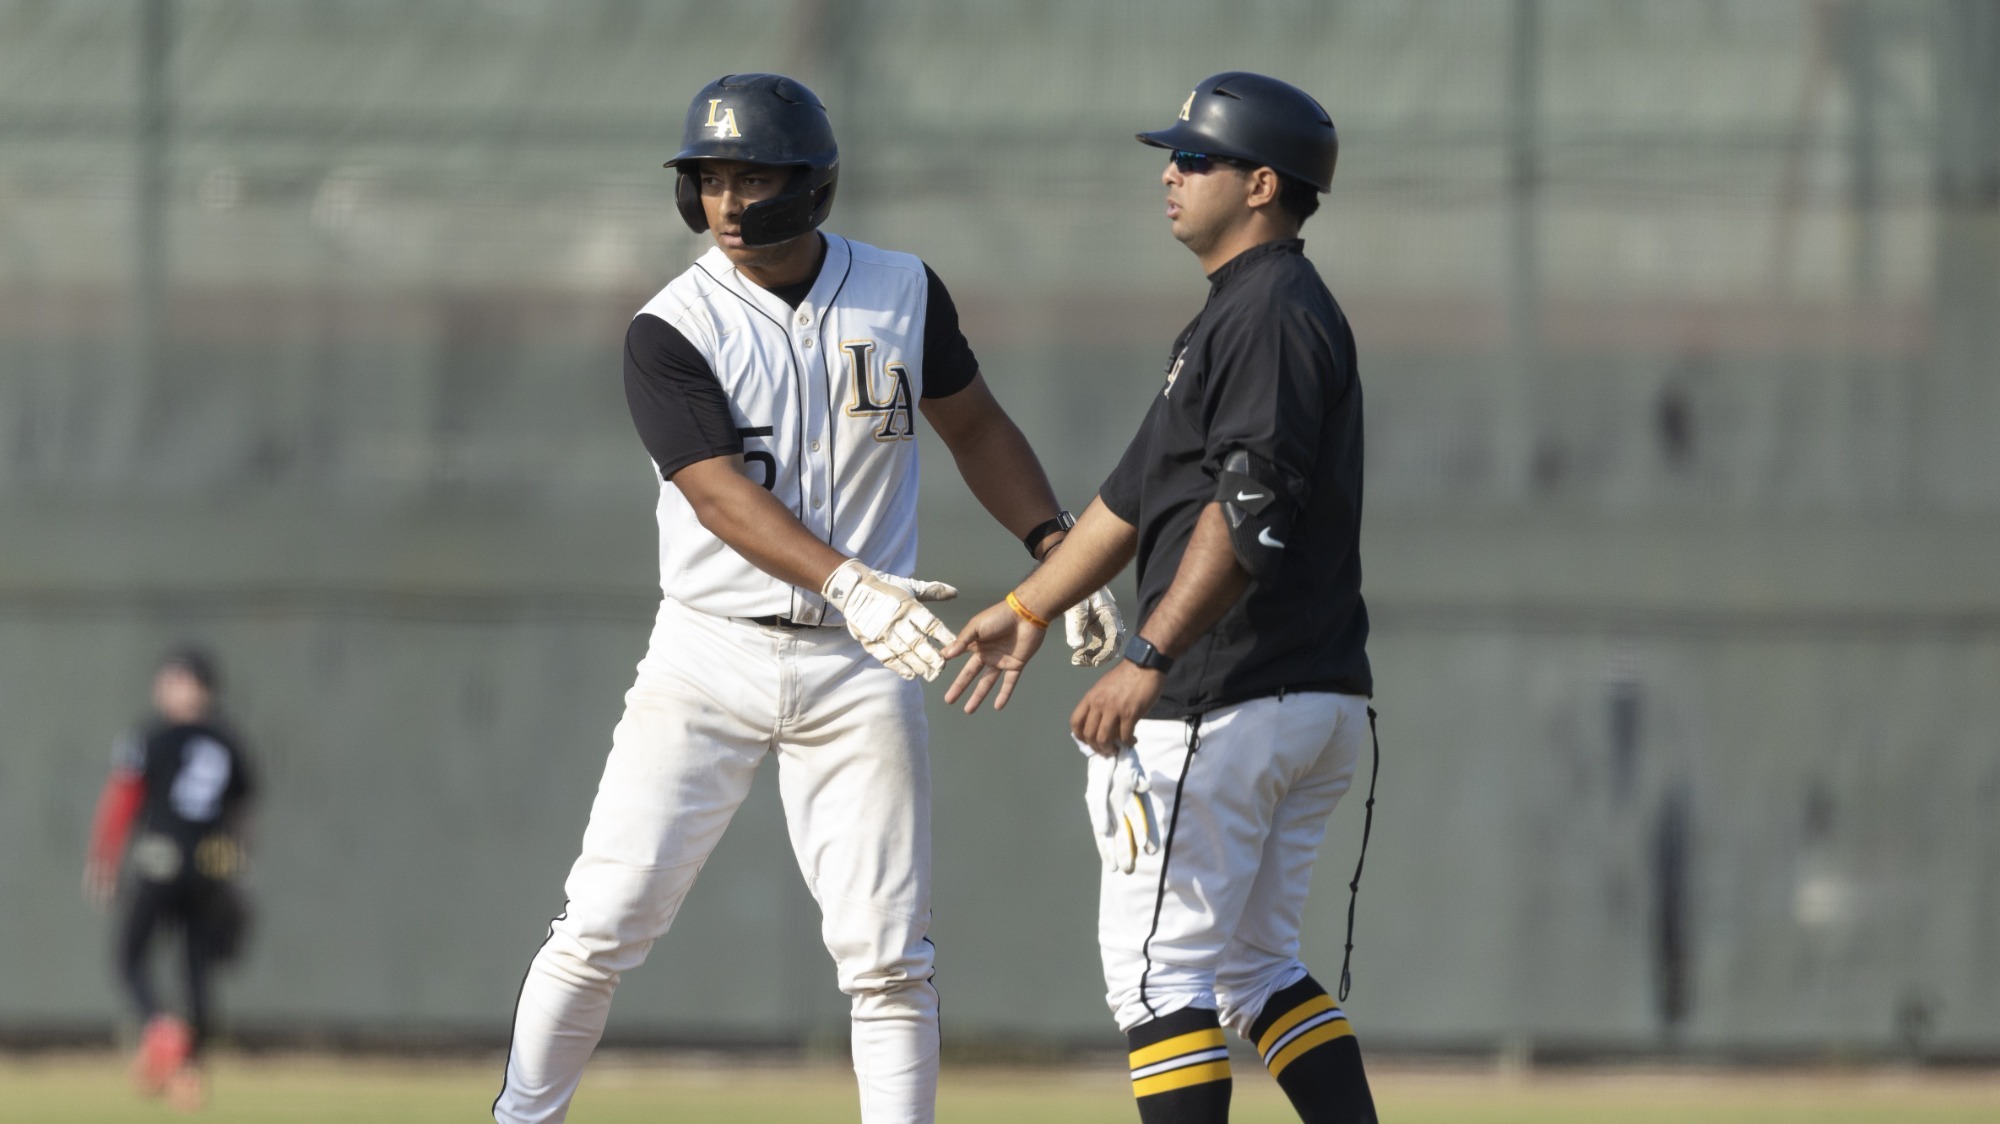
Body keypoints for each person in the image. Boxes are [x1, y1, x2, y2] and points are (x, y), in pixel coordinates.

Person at [492, 73, 1118, 1124]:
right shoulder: (670, 324)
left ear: (813, 184)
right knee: (599, 922)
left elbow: (974, 425)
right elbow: (713, 491)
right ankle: (520, 1114)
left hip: (857, 663)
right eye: (710, 177)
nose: (729, 201)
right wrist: (847, 580)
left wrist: (1055, 549)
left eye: (752, 175)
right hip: (709, 651)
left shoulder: (902, 290)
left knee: (888, 959)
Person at [943, 72, 1379, 1123]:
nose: (1169, 173)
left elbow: (1249, 504)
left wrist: (1146, 655)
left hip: (1224, 697)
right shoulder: (1237, 314)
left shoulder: (1271, 311)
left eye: (1194, 157)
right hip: (1307, 697)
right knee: (1254, 967)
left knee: (1157, 980)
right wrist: (1031, 603)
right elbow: (1133, 497)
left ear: (1261, 184)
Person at [83, 646, 256, 1112]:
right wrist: (237, 869)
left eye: (176, 681)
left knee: (129, 956)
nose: (166, 689)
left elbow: (122, 798)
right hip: (212, 867)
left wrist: (103, 860)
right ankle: (188, 1072)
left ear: (196, 688)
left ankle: (162, 1035)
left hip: (161, 861)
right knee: (196, 970)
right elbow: (241, 813)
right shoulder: (228, 741)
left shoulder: (153, 736)